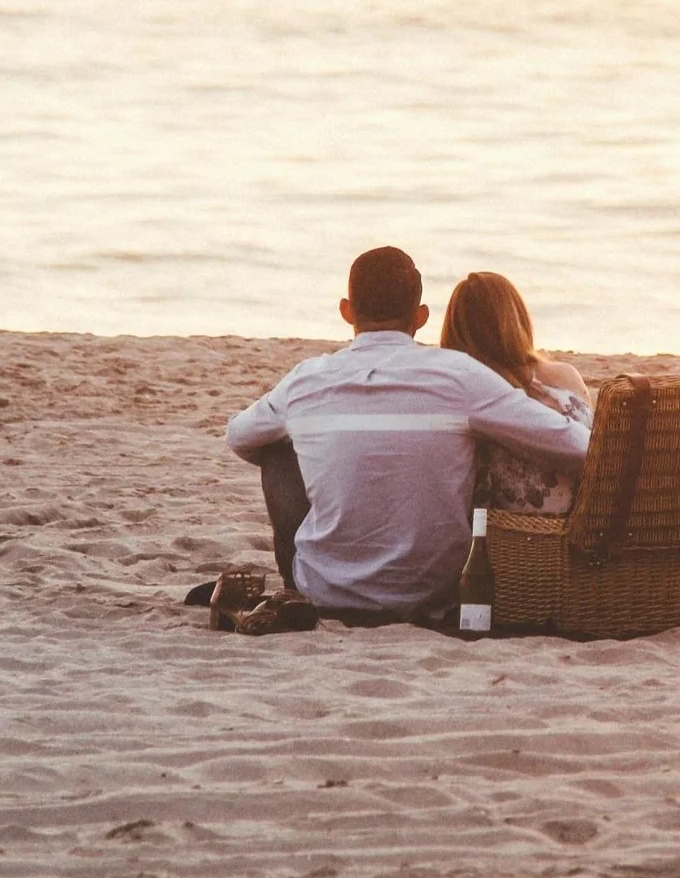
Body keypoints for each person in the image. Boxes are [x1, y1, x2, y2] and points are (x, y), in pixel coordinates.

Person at [224, 247, 590, 622]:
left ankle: (295, 586)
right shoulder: (459, 375)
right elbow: (575, 446)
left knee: (275, 450)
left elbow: (238, 435)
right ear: (420, 316)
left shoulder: (305, 380)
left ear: (346, 311)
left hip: (325, 591)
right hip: (434, 595)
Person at [438, 271, 595, 515]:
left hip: (510, 528)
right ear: (517, 319)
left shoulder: (474, 392)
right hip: (587, 515)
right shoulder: (565, 375)